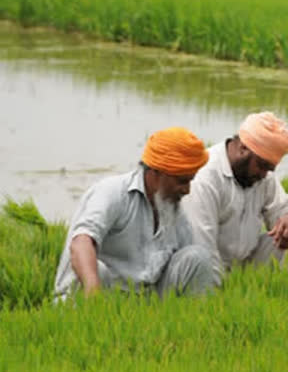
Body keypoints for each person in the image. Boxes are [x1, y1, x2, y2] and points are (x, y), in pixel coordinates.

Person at [53, 127, 219, 300]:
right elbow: (81, 243)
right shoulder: (113, 193)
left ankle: (195, 321)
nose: (187, 190)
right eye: (181, 181)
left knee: (198, 258)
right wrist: (94, 294)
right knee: (96, 268)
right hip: (97, 297)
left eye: (190, 181)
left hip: (140, 304)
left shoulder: (173, 211)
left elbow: (186, 263)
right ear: (156, 173)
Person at [182, 112, 288, 276]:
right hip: (201, 266)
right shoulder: (204, 178)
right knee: (201, 258)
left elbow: (282, 207)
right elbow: (202, 247)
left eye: (269, 169)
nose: (264, 174)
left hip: (242, 263)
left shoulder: (261, 176)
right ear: (243, 148)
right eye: (262, 166)